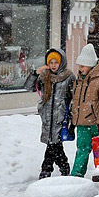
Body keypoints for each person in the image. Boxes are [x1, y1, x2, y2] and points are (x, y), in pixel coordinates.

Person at [25, 48, 73, 179]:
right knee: (54, 143)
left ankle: (46, 169)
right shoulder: (44, 76)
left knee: (53, 143)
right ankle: (64, 166)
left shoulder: (69, 77)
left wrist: (70, 116)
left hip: (61, 116)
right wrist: (36, 73)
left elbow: (73, 97)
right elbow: (28, 87)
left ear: (61, 62)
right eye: (50, 62)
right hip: (47, 116)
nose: (53, 65)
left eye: (56, 62)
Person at [70, 43, 99, 177]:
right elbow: (76, 102)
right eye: (79, 66)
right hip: (83, 123)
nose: (80, 68)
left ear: (91, 65)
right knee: (82, 149)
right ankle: (77, 174)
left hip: (96, 123)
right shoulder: (79, 81)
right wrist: (74, 119)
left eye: (83, 66)